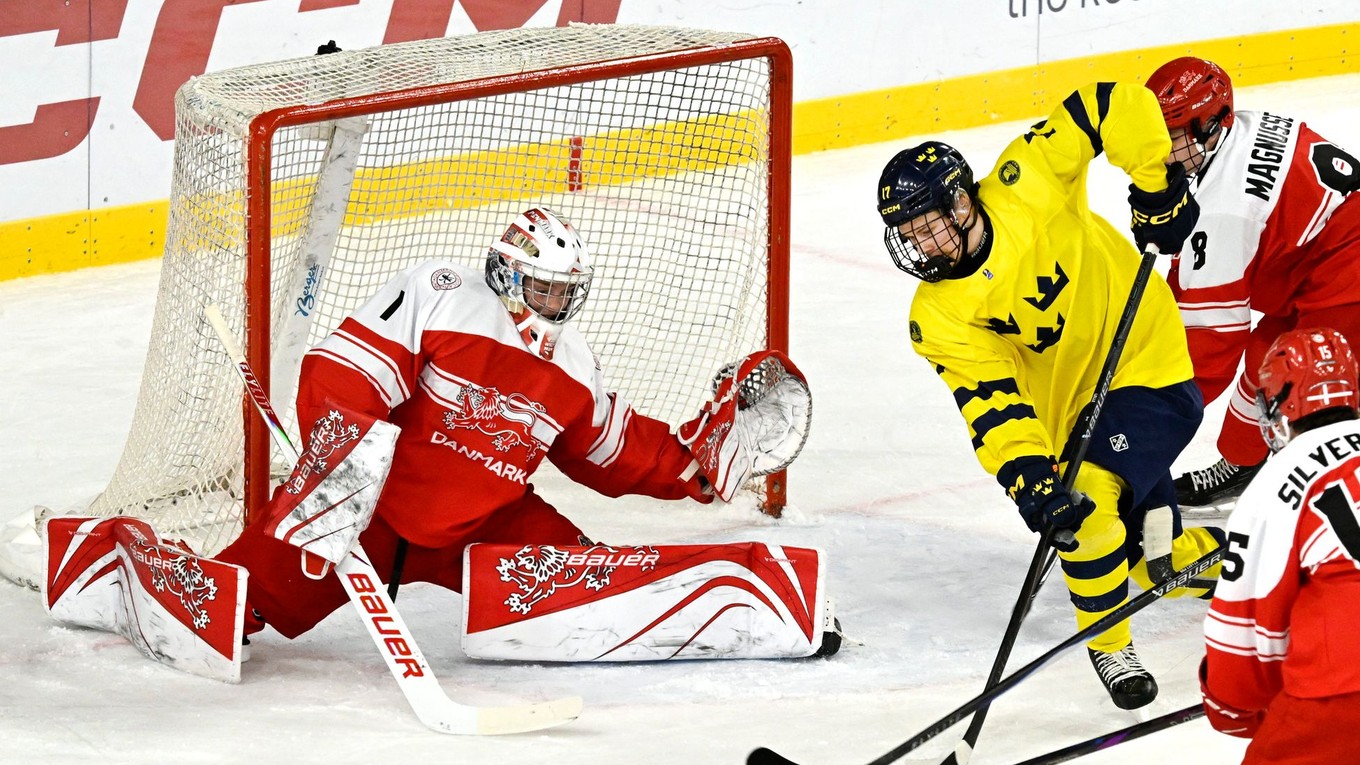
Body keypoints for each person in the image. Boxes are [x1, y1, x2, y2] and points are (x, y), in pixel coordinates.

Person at [213, 207, 793, 644]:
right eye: (544, 287)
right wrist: (342, 462)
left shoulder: (573, 362)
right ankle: (121, 563)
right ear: (508, 274)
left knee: (593, 589)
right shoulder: (442, 294)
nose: (556, 303)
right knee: (226, 603)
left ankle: (734, 606)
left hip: (483, 528)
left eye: (566, 291)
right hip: (368, 512)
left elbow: (610, 449)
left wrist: (695, 466)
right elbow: (348, 371)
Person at [876, 82, 1223, 710]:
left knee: (1088, 502)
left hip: (1146, 363)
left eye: (928, 226)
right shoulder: (939, 316)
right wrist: (1031, 479)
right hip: (1073, 416)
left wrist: (1157, 186)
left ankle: (1109, 646)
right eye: (909, 234)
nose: (921, 246)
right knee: (1156, 567)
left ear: (961, 203)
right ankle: (1250, 563)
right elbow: (991, 403)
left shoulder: (1024, 181)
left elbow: (1109, 104)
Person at [1145, 57, 1360, 508]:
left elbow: (1211, 342)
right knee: (1267, 360)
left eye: (1171, 137)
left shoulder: (1225, 204)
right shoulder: (1239, 130)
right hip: (1322, 263)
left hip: (1347, 275)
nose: (1158, 151)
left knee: (1310, 387)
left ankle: (1324, 502)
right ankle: (1244, 463)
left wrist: (1149, 413)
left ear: (1209, 125)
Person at [1200, 327, 1360, 763]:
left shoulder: (1281, 477)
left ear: (1278, 402)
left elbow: (1248, 626)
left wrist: (1230, 706)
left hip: (1344, 688)